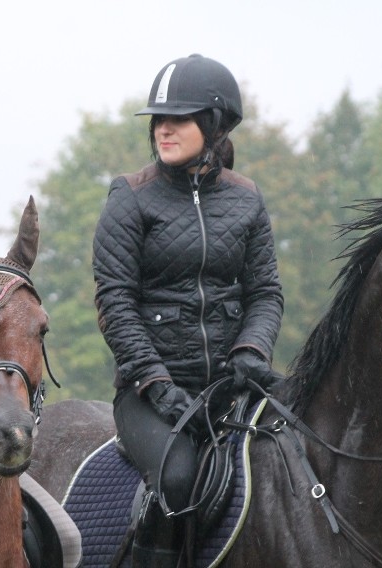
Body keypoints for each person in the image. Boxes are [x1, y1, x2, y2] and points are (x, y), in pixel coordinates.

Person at [92, 54, 284, 566]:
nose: (163, 129)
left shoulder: (247, 199)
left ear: (214, 124)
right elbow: (115, 303)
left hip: (230, 386)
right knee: (178, 478)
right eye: (159, 119)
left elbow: (265, 291)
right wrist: (158, 386)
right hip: (150, 396)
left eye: (178, 119)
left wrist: (250, 350)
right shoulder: (130, 198)